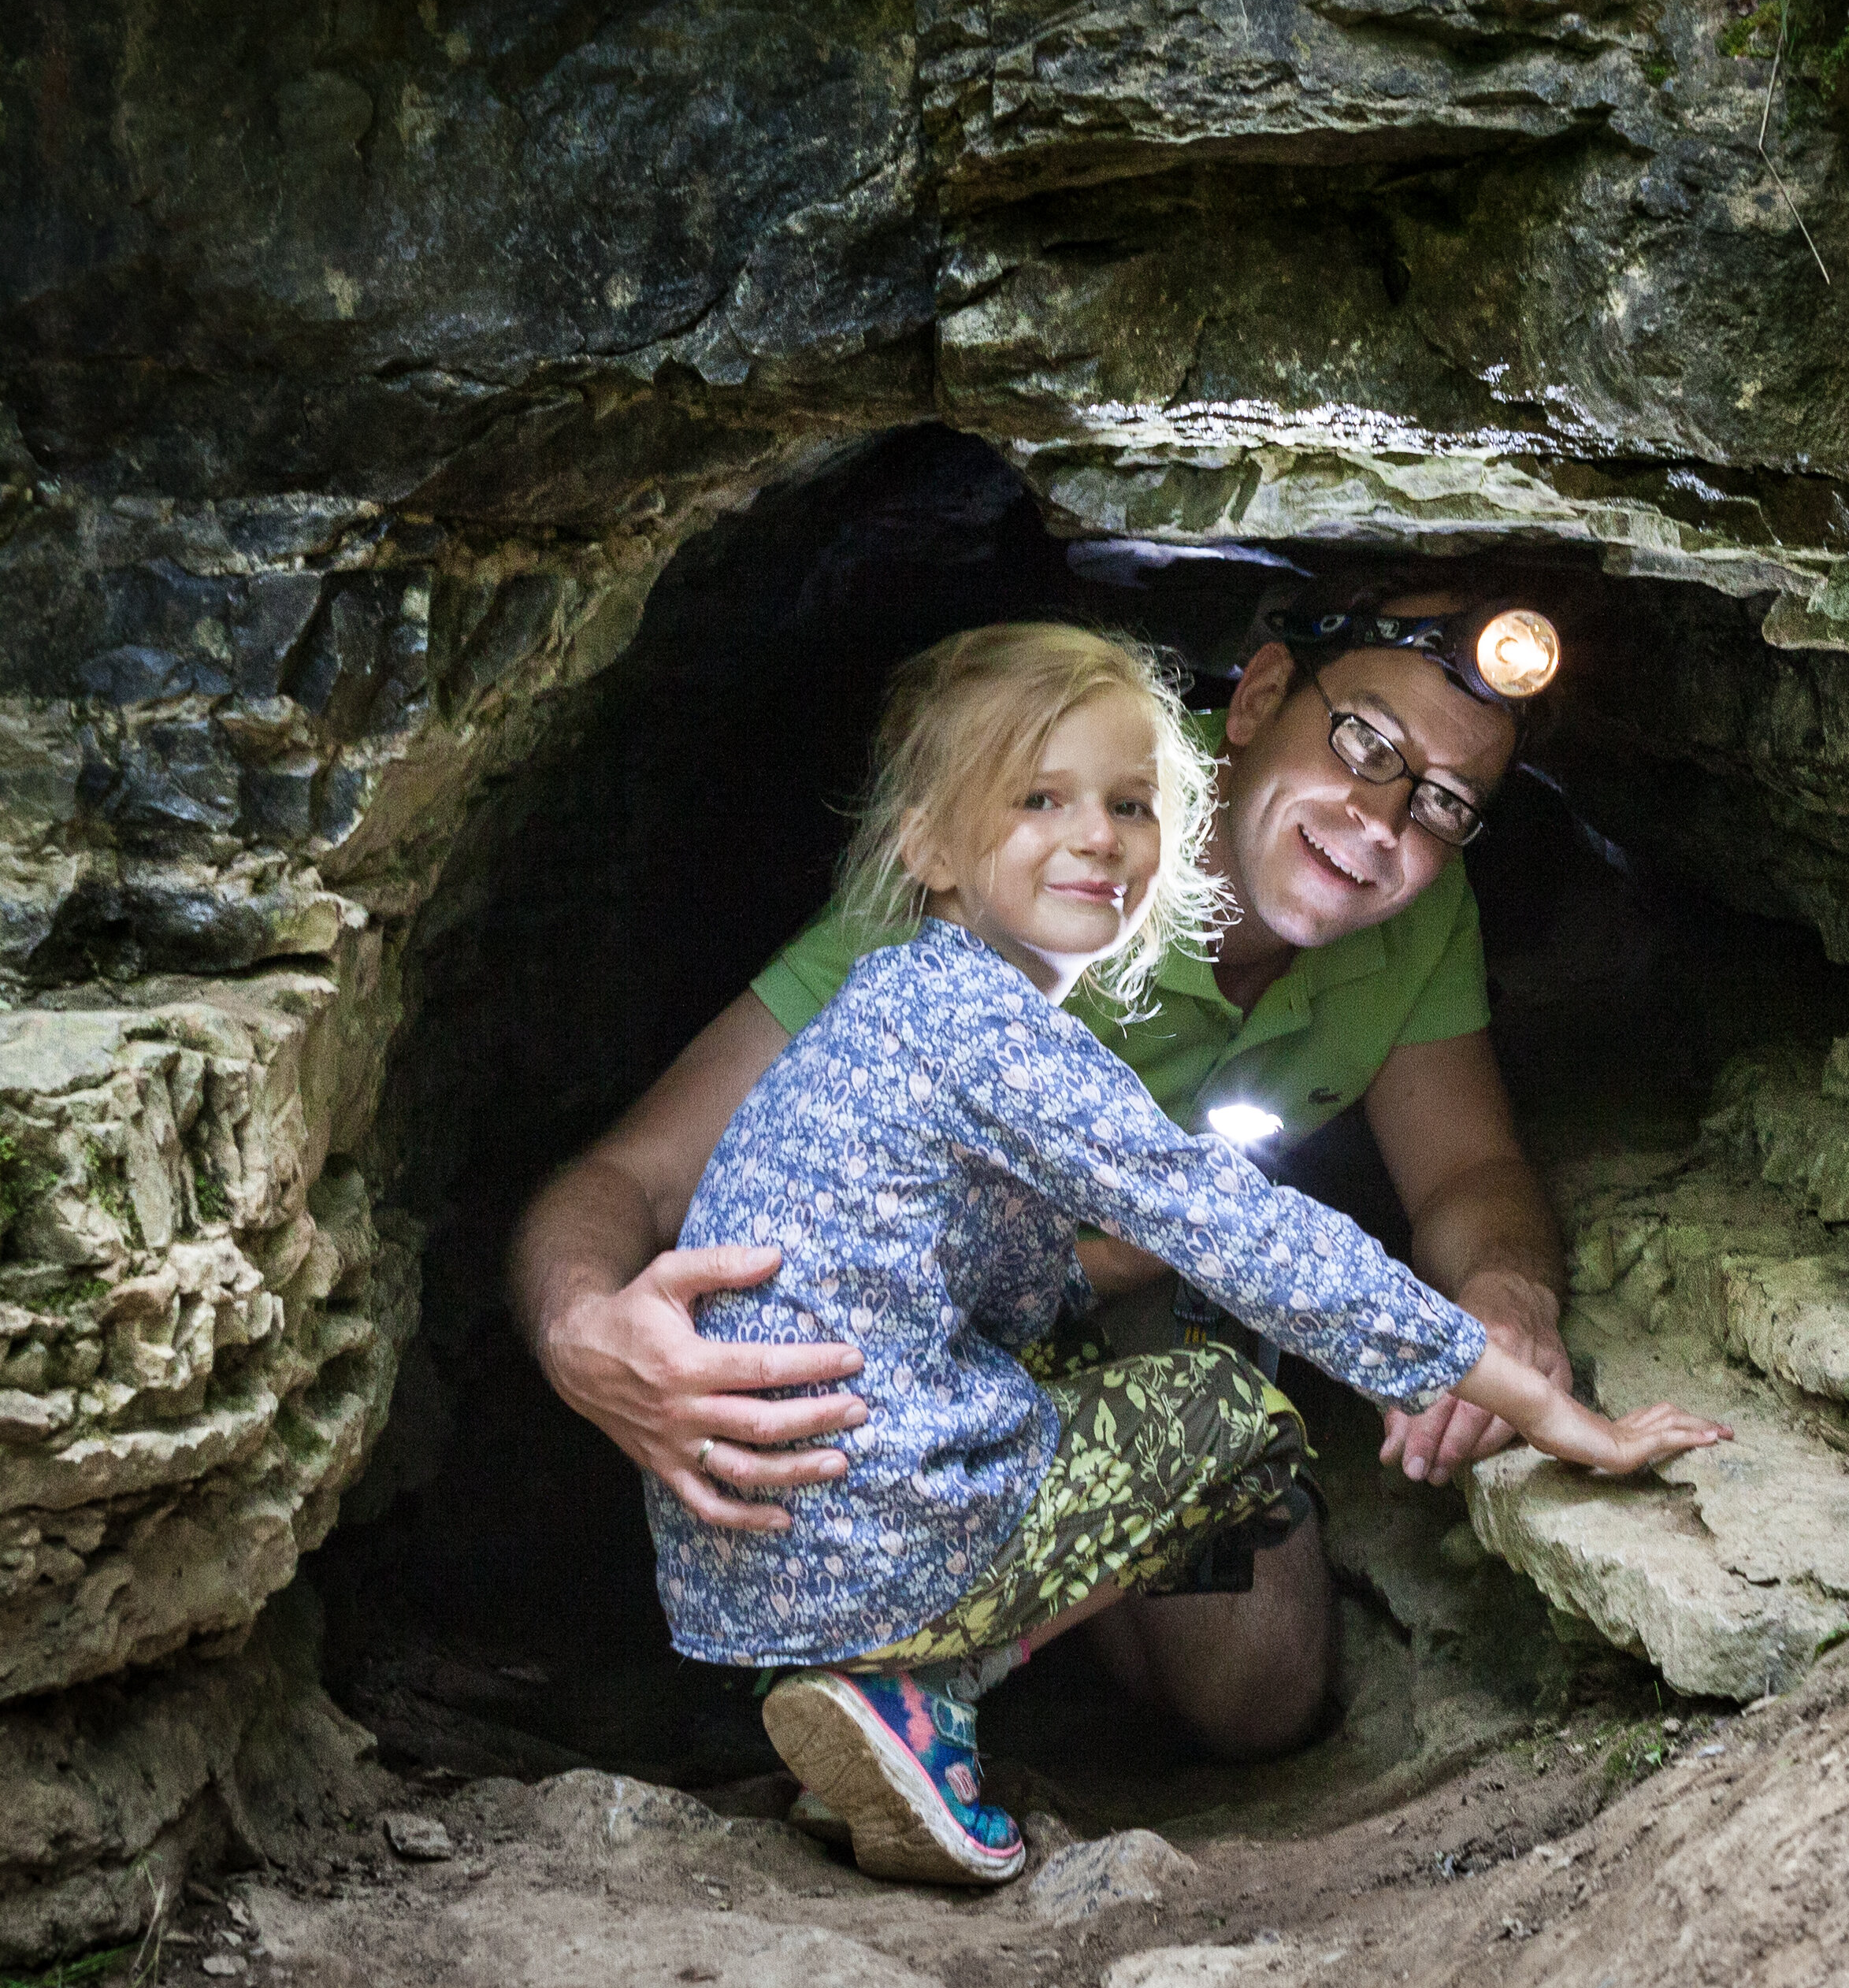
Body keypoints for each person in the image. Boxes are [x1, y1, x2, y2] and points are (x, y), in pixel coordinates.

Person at [658, 621, 1726, 1885]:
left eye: (1127, 804)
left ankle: (885, 1681)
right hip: (842, 1494)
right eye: (1039, 801)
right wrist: (1552, 1413)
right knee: (1231, 1408)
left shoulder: (916, 997)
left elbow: (1014, 1267)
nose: (1098, 837)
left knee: (1163, 1429)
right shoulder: (989, 1022)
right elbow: (1243, 1230)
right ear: (927, 845)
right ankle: (918, 1688)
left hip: (743, 1557)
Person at [509, 564, 1576, 1758]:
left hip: (1106, 1299)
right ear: (1263, 690)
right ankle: (874, 1665)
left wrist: (1506, 1297)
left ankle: (982, 1634)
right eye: (1364, 741)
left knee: (1256, 1688)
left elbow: (1465, 1174)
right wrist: (582, 1332)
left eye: (1443, 802)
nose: (1379, 823)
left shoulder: (1417, 910)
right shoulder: (1024, 847)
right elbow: (632, 1179)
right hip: (897, 1340)